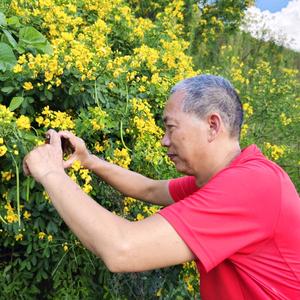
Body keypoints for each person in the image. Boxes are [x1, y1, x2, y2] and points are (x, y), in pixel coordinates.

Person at [23, 75, 300, 299]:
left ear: (212, 125)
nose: (164, 141)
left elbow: (122, 249)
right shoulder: (222, 178)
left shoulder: (251, 187)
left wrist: (50, 172)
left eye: (171, 127)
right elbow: (149, 190)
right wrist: (89, 161)